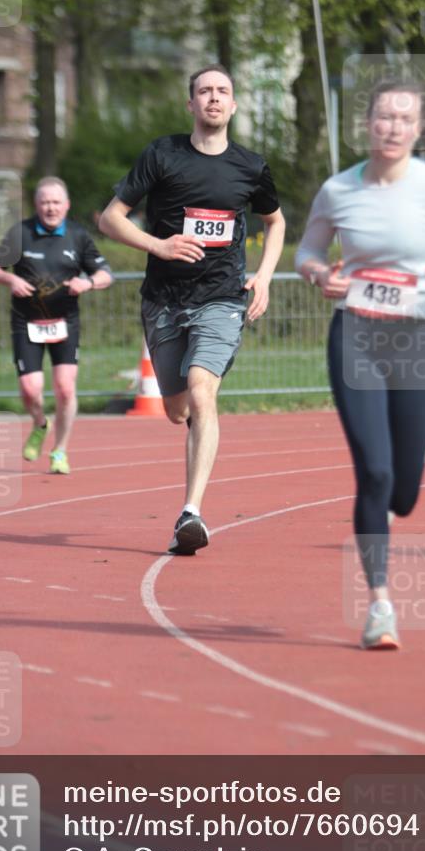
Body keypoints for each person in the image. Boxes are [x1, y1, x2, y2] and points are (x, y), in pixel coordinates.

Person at [295, 81, 425, 650]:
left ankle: (398, 492)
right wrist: (319, 275)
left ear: (417, 130)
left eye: (404, 118)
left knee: (404, 490)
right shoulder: (339, 190)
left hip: (421, 336)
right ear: (369, 125)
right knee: (374, 472)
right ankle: (380, 604)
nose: (392, 127)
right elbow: (306, 252)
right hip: (355, 333)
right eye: (384, 116)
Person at [99, 64, 285, 555]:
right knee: (176, 408)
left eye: (223, 91)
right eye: (204, 91)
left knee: (203, 394)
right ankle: (186, 446)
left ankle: (191, 513)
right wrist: (157, 246)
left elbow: (276, 221)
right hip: (163, 300)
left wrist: (262, 275)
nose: (214, 98)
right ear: (191, 104)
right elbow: (109, 218)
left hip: (221, 297)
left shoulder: (251, 166)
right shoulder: (162, 154)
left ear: (234, 104)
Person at [0, 177, 113, 474]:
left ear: (66, 205)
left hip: (65, 321)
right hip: (26, 320)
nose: (50, 208)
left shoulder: (78, 236)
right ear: (36, 205)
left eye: (56, 202)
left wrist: (88, 282)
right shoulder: (21, 233)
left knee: (66, 389)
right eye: (44, 202)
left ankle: (60, 451)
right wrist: (11, 278)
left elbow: (106, 274)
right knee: (31, 388)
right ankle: (41, 422)